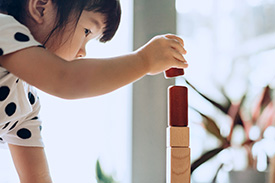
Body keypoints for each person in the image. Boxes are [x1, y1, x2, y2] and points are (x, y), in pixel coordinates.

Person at [0, 0, 188, 182]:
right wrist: (143, 61)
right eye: (86, 31)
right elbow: (66, 79)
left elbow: (37, 178)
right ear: (40, 7)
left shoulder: (25, 102)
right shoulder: (2, 27)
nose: (83, 52)